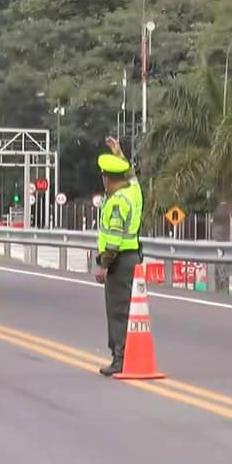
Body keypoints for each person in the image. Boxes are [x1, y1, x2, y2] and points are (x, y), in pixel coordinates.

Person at [93, 141, 144, 376]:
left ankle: (120, 358)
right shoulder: (133, 192)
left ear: (107, 179)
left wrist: (104, 265)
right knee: (127, 308)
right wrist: (120, 154)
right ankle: (126, 355)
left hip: (119, 261)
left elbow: (113, 237)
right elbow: (132, 176)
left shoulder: (116, 202)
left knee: (118, 310)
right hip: (132, 257)